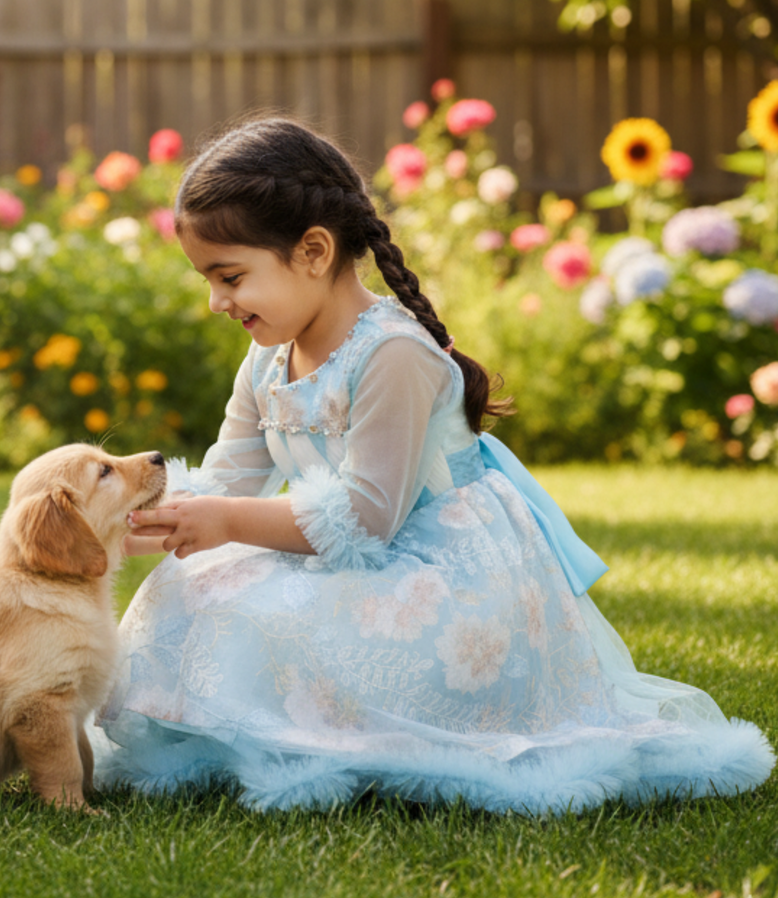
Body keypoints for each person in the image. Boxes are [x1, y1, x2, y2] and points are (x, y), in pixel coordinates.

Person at [89, 117, 774, 813]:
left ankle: (323, 741)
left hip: (438, 573)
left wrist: (228, 520)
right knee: (192, 590)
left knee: (280, 615)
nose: (216, 302)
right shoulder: (267, 357)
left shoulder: (392, 354)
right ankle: (247, 736)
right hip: (337, 550)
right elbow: (230, 478)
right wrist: (158, 518)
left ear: (314, 251)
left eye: (230, 276)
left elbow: (366, 515)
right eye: (209, 280)